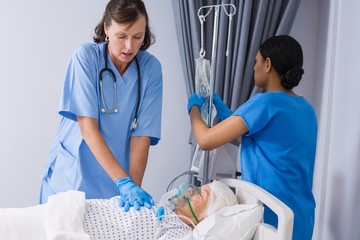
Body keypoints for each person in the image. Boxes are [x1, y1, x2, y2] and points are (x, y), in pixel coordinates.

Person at [187, 35, 317, 240]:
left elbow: (205, 140)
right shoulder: (306, 109)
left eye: (256, 61)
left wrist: (192, 108)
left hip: (271, 217)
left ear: (267, 64)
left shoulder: (265, 102)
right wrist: (229, 114)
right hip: (301, 218)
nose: (253, 67)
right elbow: (263, 141)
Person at [39, 0, 163, 213]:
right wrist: (124, 182)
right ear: (107, 28)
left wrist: (133, 191)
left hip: (114, 181)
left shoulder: (150, 69)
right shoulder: (86, 58)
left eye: (137, 37)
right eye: (121, 36)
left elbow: (141, 137)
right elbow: (88, 128)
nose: (129, 47)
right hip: (73, 176)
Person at [1, 180, 238, 240]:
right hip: (67, 213)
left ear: (206, 217)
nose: (190, 191)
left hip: (70, 230)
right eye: (197, 187)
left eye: (201, 195)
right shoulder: (165, 214)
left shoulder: (181, 233)